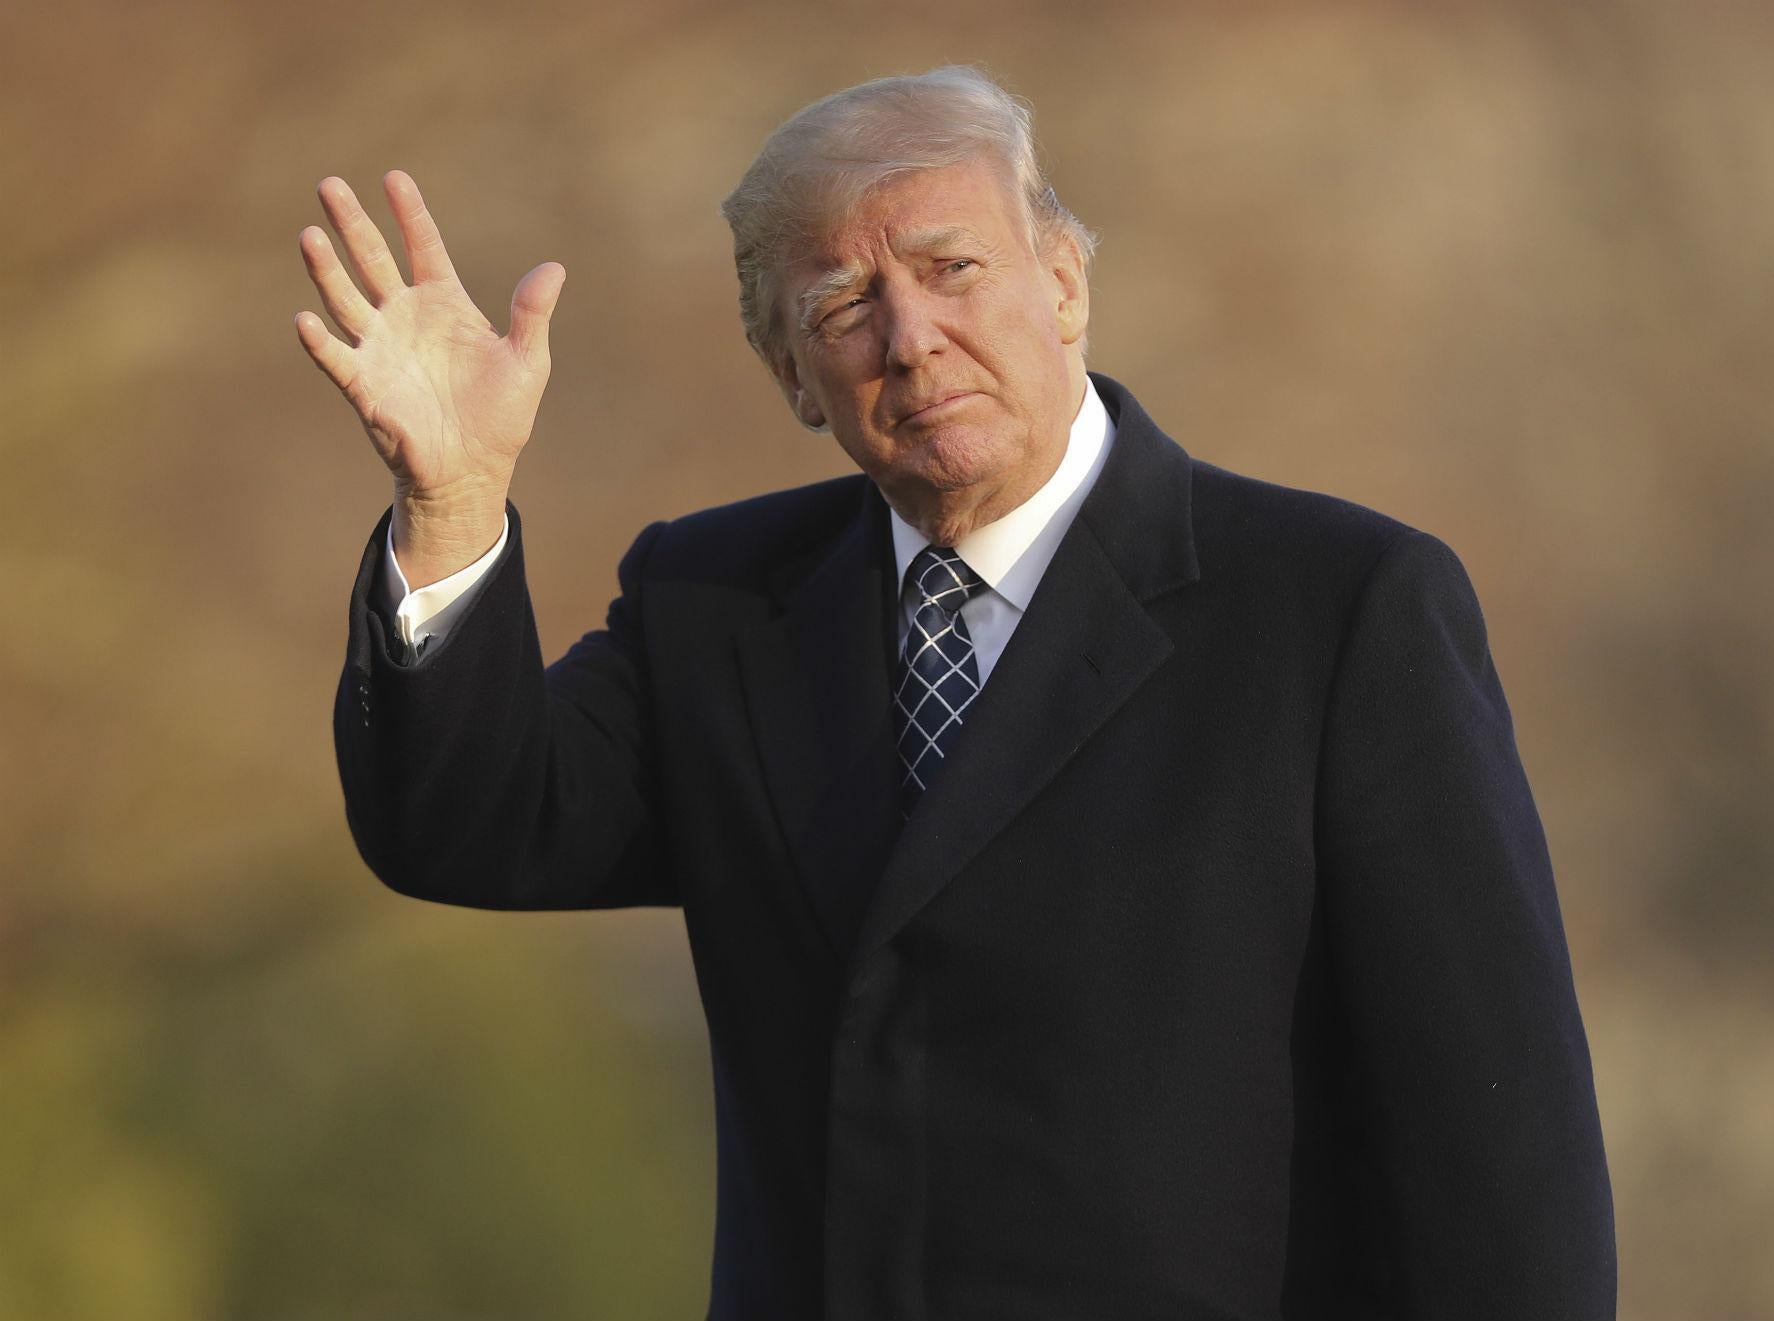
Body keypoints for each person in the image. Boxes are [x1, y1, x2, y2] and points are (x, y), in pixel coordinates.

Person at [296, 65, 1615, 1321]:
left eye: (952, 270)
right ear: (793, 380)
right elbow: (465, 819)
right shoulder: (720, 610)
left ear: (1064, 281)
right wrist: (455, 499)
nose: (912, 338)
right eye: (842, 305)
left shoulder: (1335, 609)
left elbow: (1500, 1152)